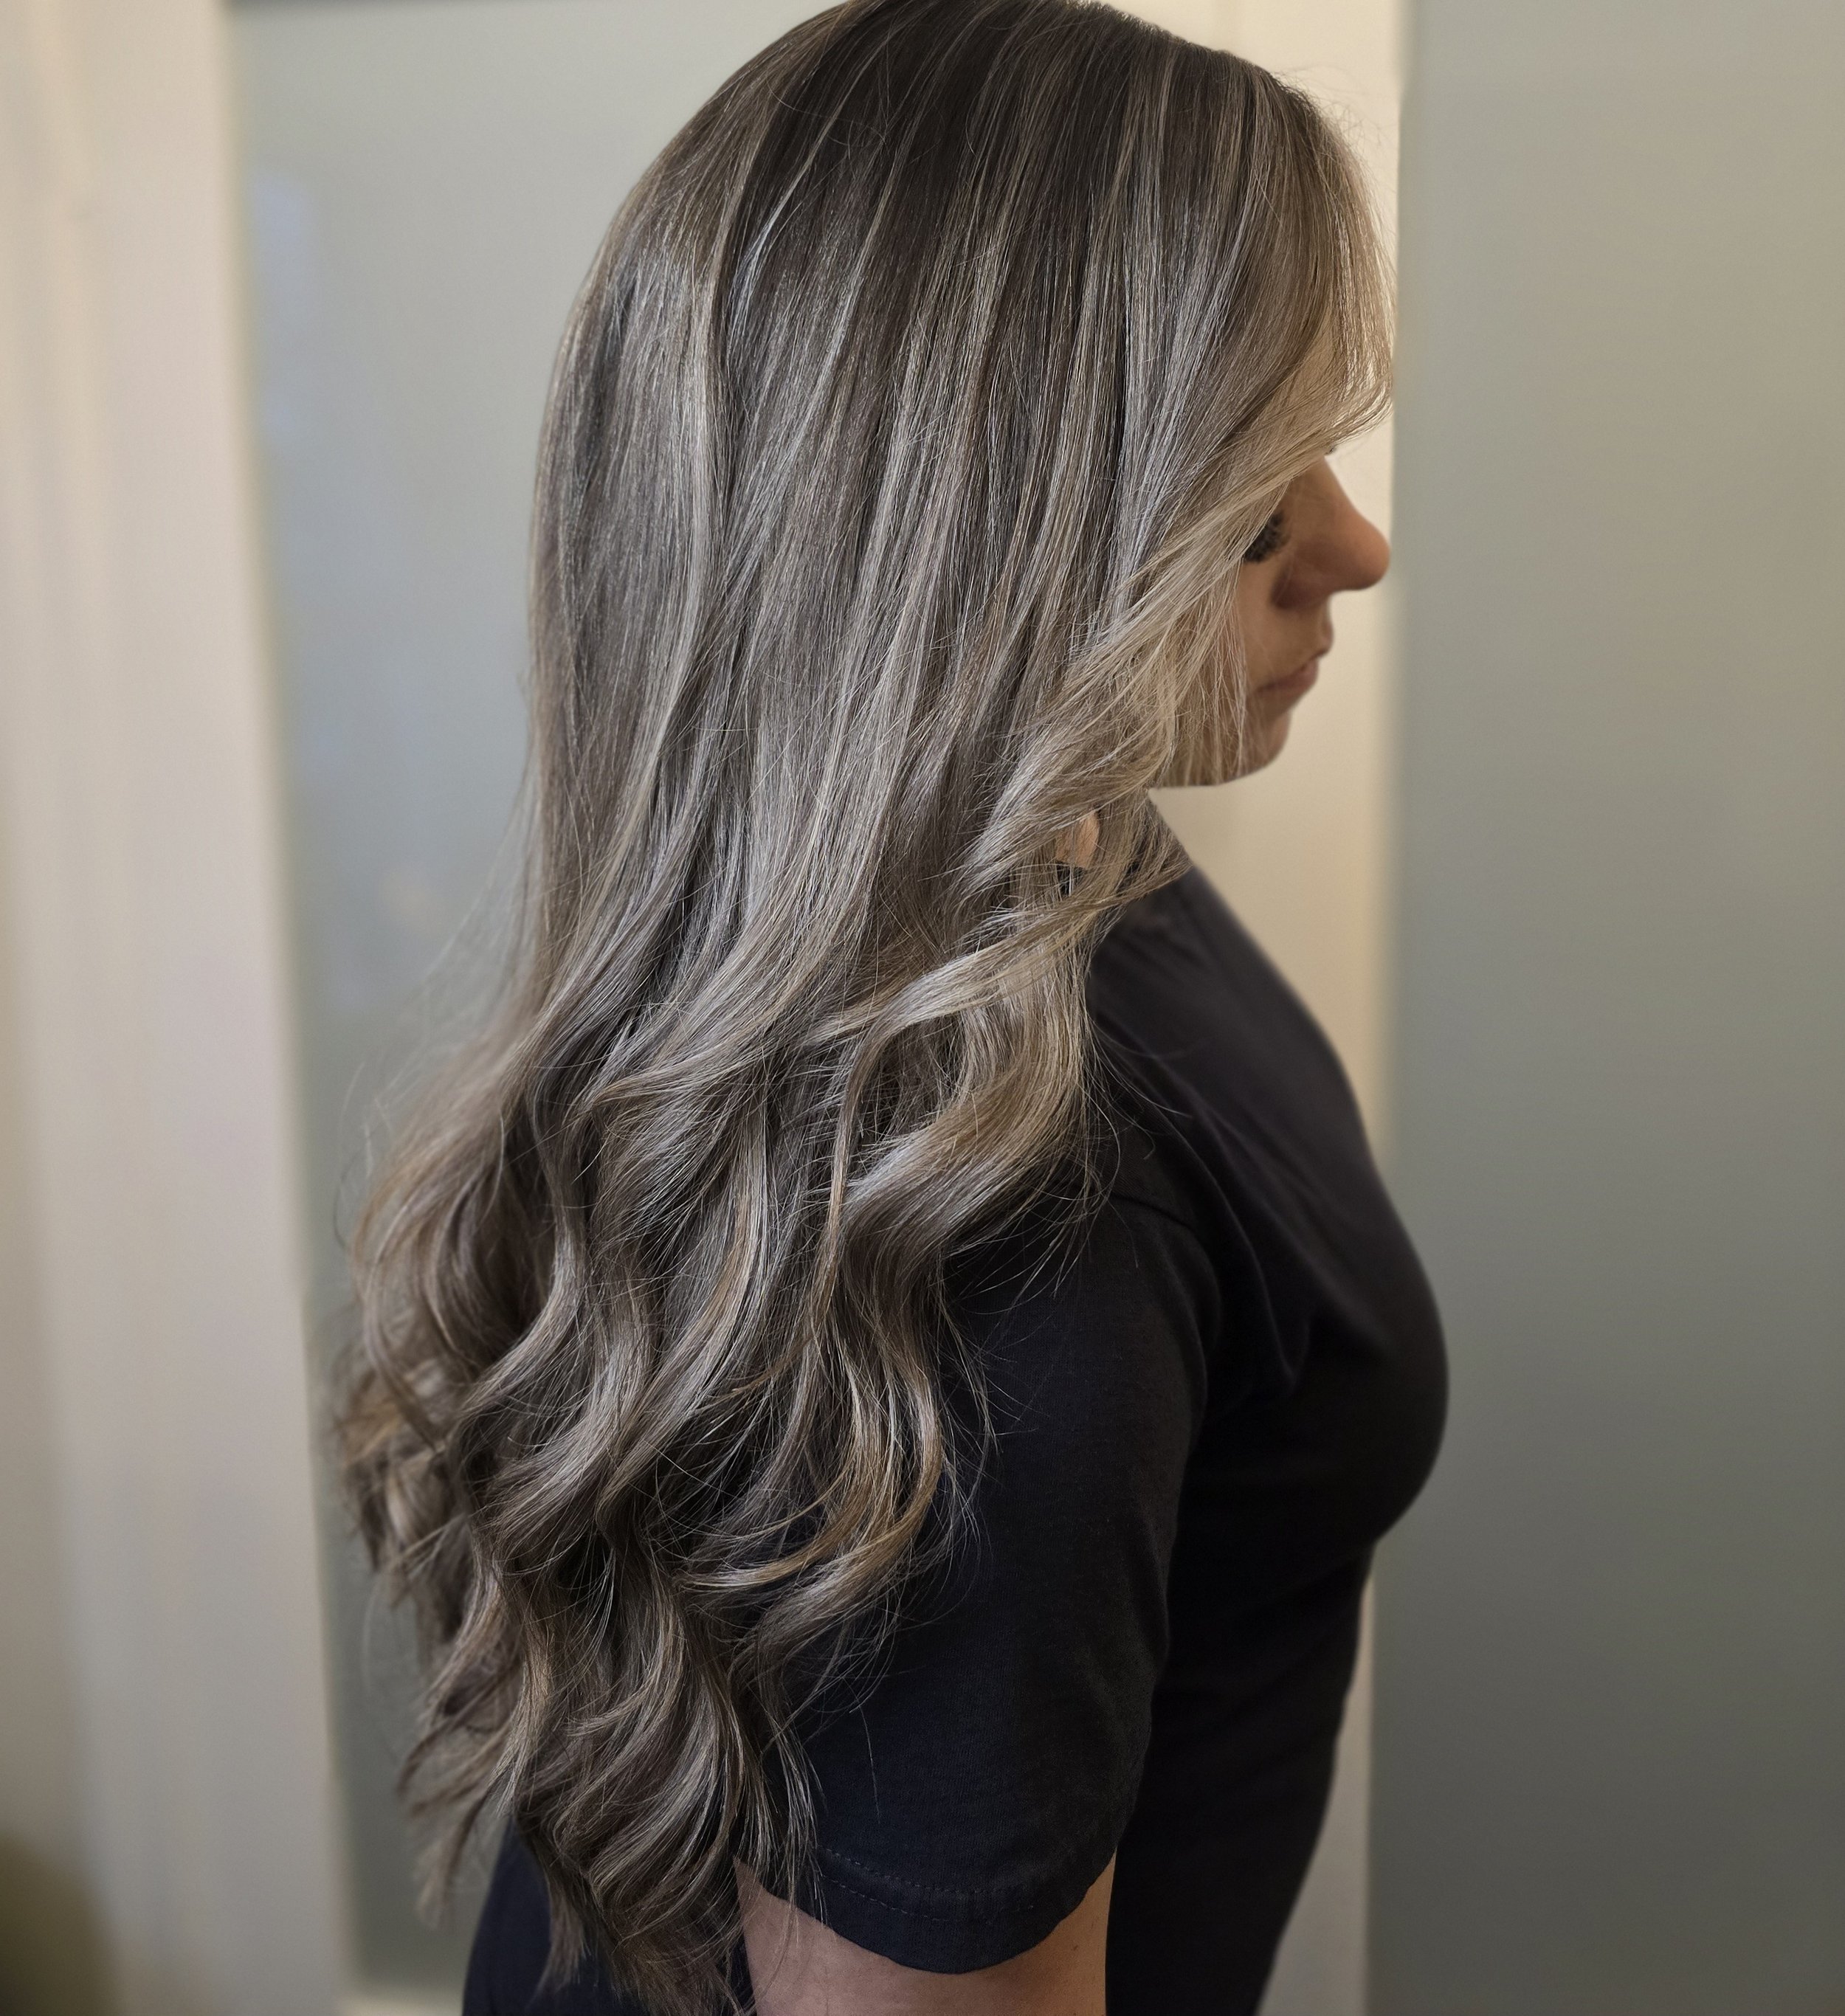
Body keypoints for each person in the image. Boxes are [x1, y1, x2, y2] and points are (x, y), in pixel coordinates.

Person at [339, 2, 1446, 2011]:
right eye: (1253, 482)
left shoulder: (1051, 863)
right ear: (973, 525)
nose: (1350, 548)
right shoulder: (1005, 1202)